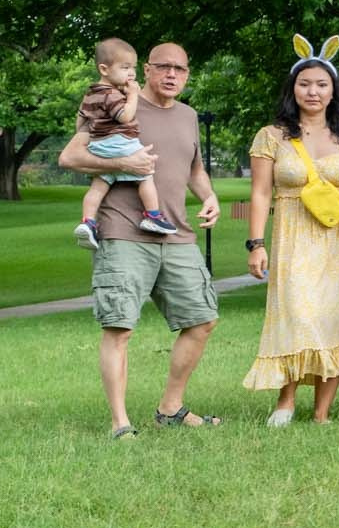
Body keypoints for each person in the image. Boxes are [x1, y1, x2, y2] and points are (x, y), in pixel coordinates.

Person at [58, 41, 224, 436]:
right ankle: (121, 424)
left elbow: (194, 169)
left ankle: (171, 408)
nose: (171, 75)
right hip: (124, 232)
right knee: (120, 327)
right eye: (163, 67)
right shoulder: (113, 104)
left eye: (180, 69)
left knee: (202, 319)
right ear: (145, 70)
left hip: (177, 234)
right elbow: (69, 157)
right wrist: (120, 162)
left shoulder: (188, 115)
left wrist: (210, 196)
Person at [243, 45, 339, 426]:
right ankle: (286, 400)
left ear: (333, 91)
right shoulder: (271, 136)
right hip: (292, 237)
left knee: (335, 320)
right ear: (292, 89)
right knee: (298, 315)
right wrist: (256, 243)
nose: (312, 91)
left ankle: (322, 411)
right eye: (304, 84)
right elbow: (261, 193)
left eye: (321, 84)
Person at [72, 36, 177, 249]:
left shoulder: (91, 93)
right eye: (125, 67)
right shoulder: (111, 94)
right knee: (146, 174)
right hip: (119, 141)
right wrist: (133, 96)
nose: (131, 73)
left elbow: (80, 119)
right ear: (104, 69)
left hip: (98, 144)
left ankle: (88, 222)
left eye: (133, 68)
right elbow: (125, 117)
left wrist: (93, 136)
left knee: (98, 186)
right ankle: (153, 216)